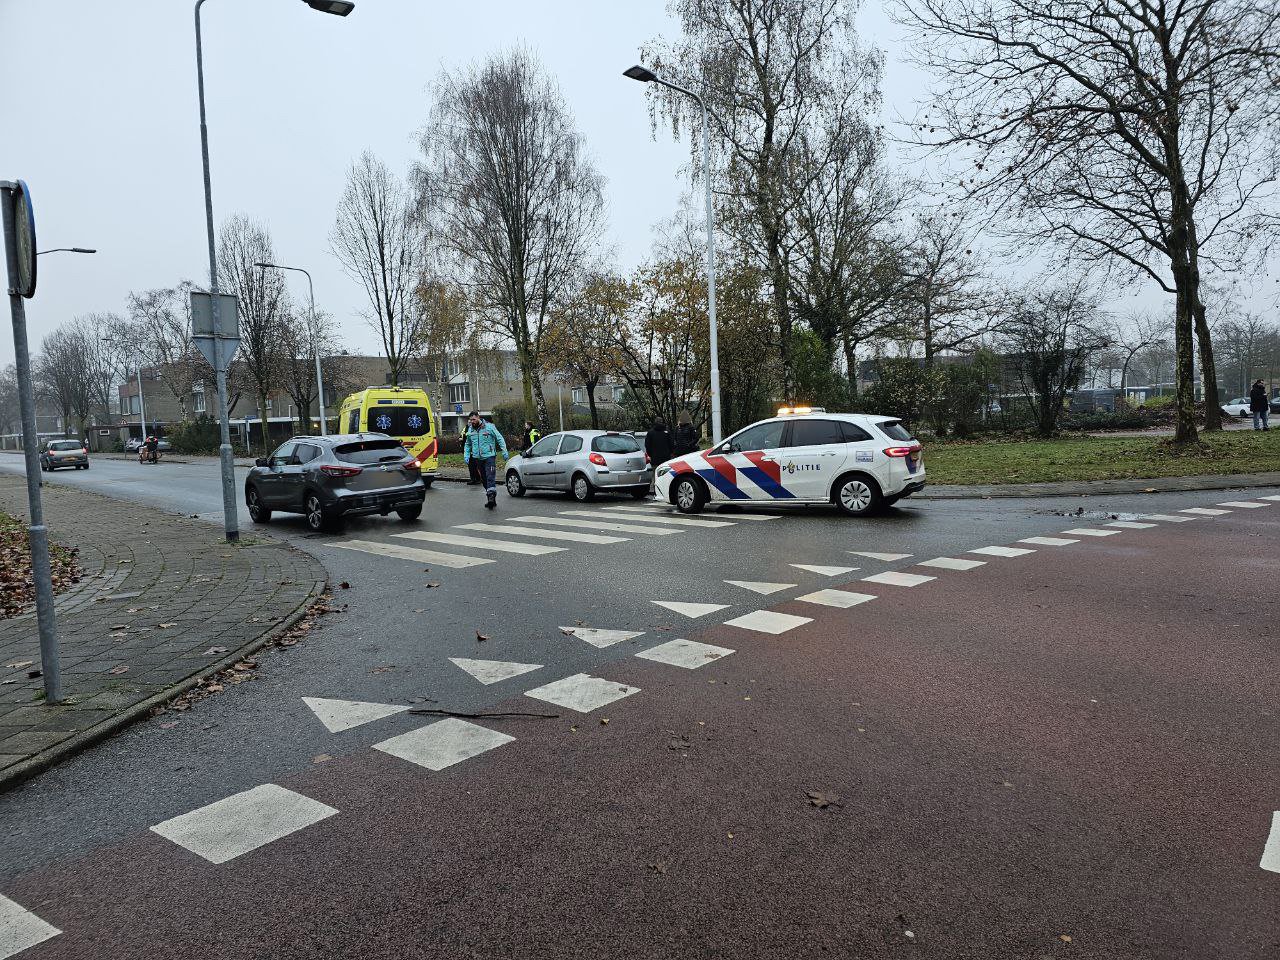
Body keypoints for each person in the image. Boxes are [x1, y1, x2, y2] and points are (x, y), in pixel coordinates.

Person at [463, 411, 508, 509]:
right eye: (470, 420)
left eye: (474, 419)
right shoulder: (470, 430)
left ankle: (491, 498)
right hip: (477, 458)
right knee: (484, 480)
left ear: (478, 417)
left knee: (490, 476)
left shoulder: (489, 427)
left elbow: (499, 438)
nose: (472, 422)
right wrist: (466, 454)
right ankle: (492, 498)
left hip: (489, 456)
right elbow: (468, 444)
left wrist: (504, 451)